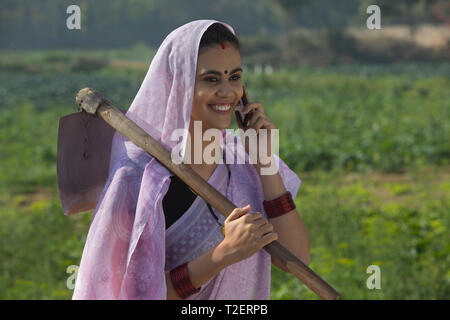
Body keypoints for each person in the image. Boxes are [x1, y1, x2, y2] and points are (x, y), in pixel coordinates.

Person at [72, 20, 309, 300]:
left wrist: (265, 161)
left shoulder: (246, 162)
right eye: (211, 79)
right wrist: (223, 254)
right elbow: (130, 293)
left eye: (234, 77)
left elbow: (296, 260)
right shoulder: (141, 176)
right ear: (177, 85)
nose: (227, 92)